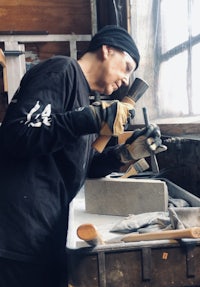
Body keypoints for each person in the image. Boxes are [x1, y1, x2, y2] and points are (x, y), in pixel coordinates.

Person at [0, 25, 166, 287]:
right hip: (18, 239)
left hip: (45, 236)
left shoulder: (85, 101)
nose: (125, 80)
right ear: (106, 49)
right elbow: (16, 134)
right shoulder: (61, 70)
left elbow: (83, 167)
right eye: (126, 66)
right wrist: (88, 119)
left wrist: (126, 153)